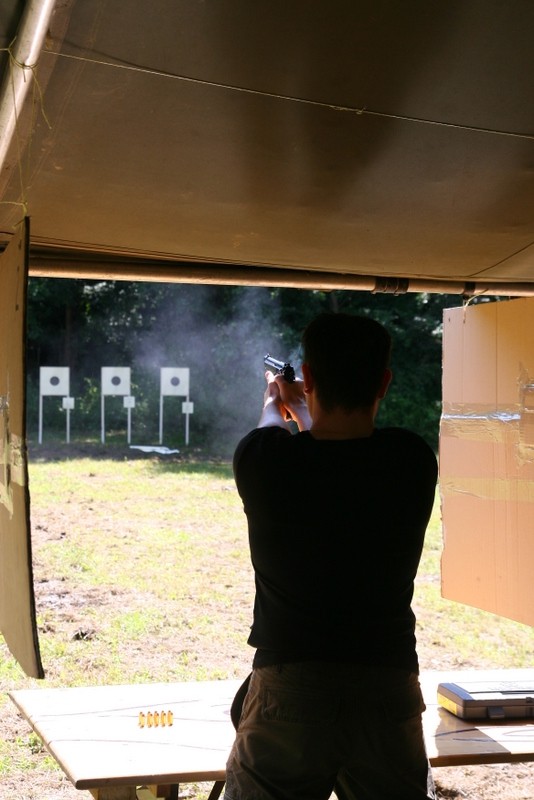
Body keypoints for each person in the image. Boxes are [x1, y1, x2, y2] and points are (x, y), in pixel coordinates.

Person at [225, 312, 438, 800]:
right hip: (387, 681)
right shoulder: (411, 459)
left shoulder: (264, 461)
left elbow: (271, 432)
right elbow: (343, 455)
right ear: (384, 381)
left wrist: (280, 402)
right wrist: (308, 410)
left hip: (291, 681)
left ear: (312, 378)